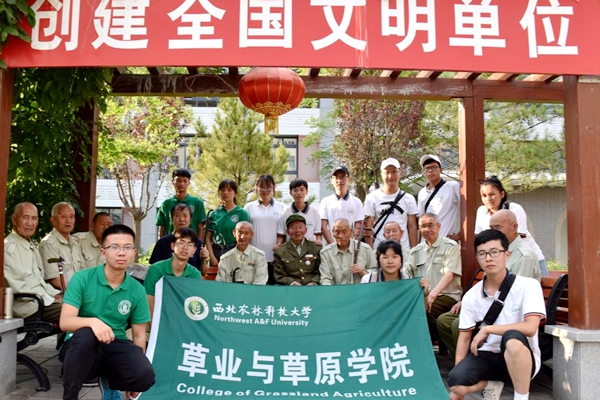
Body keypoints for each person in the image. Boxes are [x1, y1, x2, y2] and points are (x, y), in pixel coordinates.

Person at [448, 229, 546, 400]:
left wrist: (488, 329)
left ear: (507, 255)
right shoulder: (471, 295)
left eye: (494, 252)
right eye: (482, 254)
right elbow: (464, 338)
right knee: (456, 385)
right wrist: (459, 372)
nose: (488, 258)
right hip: (486, 356)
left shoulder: (528, 286)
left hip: (521, 358)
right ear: (477, 258)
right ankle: (491, 384)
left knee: (512, 338)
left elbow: (531, 328)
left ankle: (521, 397)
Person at [60, 225, 155, 400]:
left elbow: (139, 335)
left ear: (134, 252)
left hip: (116, 343)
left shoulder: (137, 289)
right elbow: (65, 322)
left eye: (127, 247)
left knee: (145, 376)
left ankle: (110, 383)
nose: (121, 253)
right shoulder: (82, 278)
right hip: (80, 347)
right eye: (115, 247)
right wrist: (93, 322)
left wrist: (134, 375)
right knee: (87, 334)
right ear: (103, 252)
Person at [436, 210, 541, 361]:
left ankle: (476, 361)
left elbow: (514, 295)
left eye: (498, 227)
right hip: (488, 304)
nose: (493, 232)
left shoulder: (524, 256)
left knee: (458, 324)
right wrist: (467, 302)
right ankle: (466, 362)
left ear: (514, 227)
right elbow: (487, 285)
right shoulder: (491, 251)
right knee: (444, 321)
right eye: (491, 227)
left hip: (508, 313)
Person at [403, 212, 462, 341]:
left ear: (439, 226)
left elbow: (449, 274)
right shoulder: (416, 251)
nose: (427, 229)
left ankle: (428, 340)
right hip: (423, 298)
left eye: (431, 225)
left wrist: (432, 295)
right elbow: (406, 272)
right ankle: (432, 337)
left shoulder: (451, 246)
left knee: (417, 309)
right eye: (423, 226)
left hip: (446, 296)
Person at [475, 176, 548, 276]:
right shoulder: (481, 211)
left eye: (492, 194)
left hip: (524, 259)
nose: (488, 199)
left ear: (502, 194)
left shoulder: (515, 209)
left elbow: (511, 237)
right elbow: (480, 237)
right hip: (502, 259)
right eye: (484, 195)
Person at [4, 202, 62, 322]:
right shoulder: (9, 248)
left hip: (41, 301)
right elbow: (19, 288)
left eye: (34, 218)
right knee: (78, 311)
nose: (30, 223)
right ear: (14, 219)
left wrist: (57, 294)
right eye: (25, 217)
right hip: (28, 307)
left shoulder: (30, 245)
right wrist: (51, 299)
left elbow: (40, 282)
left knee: (83, 304)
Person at [145, 228, 202, 318]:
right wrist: (155, 324)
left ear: (194, 250)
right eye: (181, 243)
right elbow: (149, 301)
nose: (185, 247)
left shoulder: (195, 274)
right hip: (156, 319)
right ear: (172, 246)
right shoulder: (156, 269)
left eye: (190, 244)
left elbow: (194, 302)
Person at [364, 158, 418, 249]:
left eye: (394, 172)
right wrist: (370, 251)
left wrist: (413, 250)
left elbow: (412, 226)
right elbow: (368, 226)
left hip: (403, 249)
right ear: (381, 174)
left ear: (400, 173)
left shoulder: (409, 198)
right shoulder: (372, 198)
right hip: (380, 249)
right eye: (387, 172)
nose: (390, 176)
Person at [243, 174, 285, 285]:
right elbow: (244, 234)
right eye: (261, 187)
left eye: (268, 187)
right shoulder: (249, 207)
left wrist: (279, 253)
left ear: (274, 188)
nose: (265, 190)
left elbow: (283, 233)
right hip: (253, 259)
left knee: (273, 290)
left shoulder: (282, 207)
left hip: (274, 259)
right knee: (254, 290)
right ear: (256, 188)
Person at [149, 203, 207, 273]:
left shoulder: (198, 242)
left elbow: (204, 272)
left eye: (185, 216)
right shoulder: (162, 243)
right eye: (178, 215)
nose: (181, 219)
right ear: (172, 219)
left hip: (191, 279)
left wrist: (204, 260)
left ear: (190, 220)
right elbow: (154, 268)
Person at [39, 202, 84, 291]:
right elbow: (54, 280)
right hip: (61, 294)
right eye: (63, 217)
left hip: (78, 291)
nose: (68, 220)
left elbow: (83, 272)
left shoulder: (75, 242)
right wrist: (78, 293)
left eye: (71, 217)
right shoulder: (49, 244)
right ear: (53, 220)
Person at [206, 179, 250, 269]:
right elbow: (207, 237)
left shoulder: (242, 213)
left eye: (229, 190)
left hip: (234, 252)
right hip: (216, 252)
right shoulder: (214, 214)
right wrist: (212, 257)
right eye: (222, 190)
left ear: (235, 193)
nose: (225, 193)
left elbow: (244, 238)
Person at [319, 218, 377, 285]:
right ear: (333, 233)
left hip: (360, 290)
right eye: (337, 232)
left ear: (351, 232)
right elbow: (325, 279)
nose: (340, 236)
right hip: (336, 290)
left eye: (344, 232)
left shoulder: (365, 249)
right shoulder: (326, 253)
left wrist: (362, 272)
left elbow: (375, 272)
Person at [417, 155, 461, 241]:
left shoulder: (452, 186)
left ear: (441, 170)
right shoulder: (422, 192)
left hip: (445, 241)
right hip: (426, 242)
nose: (430, 170)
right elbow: (421, 220)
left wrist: (461, 234)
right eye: (427, 168)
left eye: (434, 167)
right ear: (423, 172)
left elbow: (468, 209)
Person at [319, 166, 364, 244]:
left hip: (351, 246)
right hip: (331, 246)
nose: (340, 181)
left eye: (343, 177)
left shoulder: (357, 202)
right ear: (331, 180)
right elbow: (323, 226)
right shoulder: (325, 202)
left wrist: (351, 243)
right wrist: (333, 245)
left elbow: (359, 225)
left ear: (348, 179)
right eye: (336, 177)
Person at [156, 168, 206, 239]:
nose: (181, 183)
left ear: (189, 183)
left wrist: (199, 244)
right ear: (173, 182)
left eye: (185, 181)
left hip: (191, 243)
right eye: (178, 180)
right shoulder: (166, 204)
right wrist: (162, 244)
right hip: (171, 243)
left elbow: (201, 228)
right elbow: (162, 229)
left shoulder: (197, 203)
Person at [273, 215, 322, 286]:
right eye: (293, 228)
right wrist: (292, 283)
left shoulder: (315, 248)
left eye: (300, 227)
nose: (297, 231)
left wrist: (313, 282)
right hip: (290, 288)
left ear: (305, 230)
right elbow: (279, 275)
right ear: (287, 231)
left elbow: (321, 271)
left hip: (313, 287)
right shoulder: (280, 251)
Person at [277, 178, 322, 246]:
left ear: (307, 191)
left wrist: (318, 242)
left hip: (309, 249)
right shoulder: (285, 212)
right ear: (290, 193)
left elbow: (318, 233)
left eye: (302, 190)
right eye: (295, 190)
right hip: (291, 249)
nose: (298, 193)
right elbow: (281, 234)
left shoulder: (314, 212)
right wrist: (278, 245)